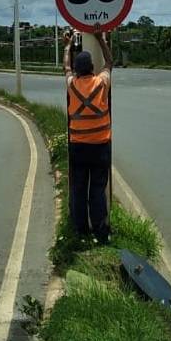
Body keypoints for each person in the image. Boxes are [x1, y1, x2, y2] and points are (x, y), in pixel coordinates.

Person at [63, 22, 113, 244]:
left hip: (78, 146)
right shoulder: (101, 83)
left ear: (77, 69)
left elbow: (65, 67)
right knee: (98, 189)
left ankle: (80, 230)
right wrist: (100, 39)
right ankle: (101, 231)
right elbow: (110, 63)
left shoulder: (72, 85)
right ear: (92, 67)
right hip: (100, 145)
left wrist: (67, 46)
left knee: (78, 188)